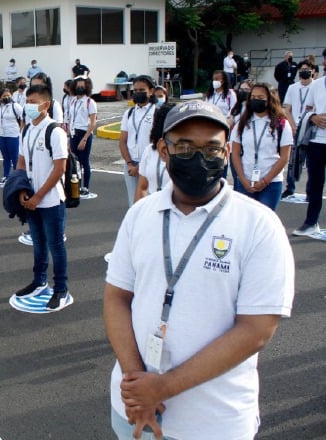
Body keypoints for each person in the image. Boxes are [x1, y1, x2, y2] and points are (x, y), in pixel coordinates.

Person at [104, 99, 295, 440]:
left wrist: (161, 388)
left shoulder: (259, 225)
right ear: (164, 151)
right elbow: (117, 298)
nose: (199, 158)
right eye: (185, 146)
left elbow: (257, 329)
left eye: (211, 148)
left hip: (213, 424)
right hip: (131, 410)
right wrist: (137, 383)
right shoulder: (140, 215)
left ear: (225, 153)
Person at [14, 84, 72, 311]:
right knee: (38, 243)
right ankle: (39, 281)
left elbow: (59, 169)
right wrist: (21, 189)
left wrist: (38, 196)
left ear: (46, 105)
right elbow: (20, 161)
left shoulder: (54, 131)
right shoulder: (27, 130)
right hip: (31, 199)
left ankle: (61, 288)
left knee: (55, 245)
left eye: (33, 102)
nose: (28, 106)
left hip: (50, 201)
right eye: (27, 102)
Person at [231, 82, 292, 211]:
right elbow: (235, 153)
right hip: (245, 181)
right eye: (253, 97)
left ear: (270, 100)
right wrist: (242, 179)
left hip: (271, 183)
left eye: (260, 98)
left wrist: (265, 181)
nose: (256, 100)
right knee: (245, 221)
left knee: (264, 221)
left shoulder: (281, 124)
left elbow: (284, 158)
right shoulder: (242, 123)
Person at [293, 68, 326, 236]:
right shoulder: (317, 85)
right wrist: (313, 117)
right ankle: (311, 222)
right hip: (316, 141)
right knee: (315, 184)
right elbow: (307, 109)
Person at [119, 75, 156, 206]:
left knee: (149, 202)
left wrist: (140, 167)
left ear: (151, 91)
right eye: (135, 90)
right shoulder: (129, 113)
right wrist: (129, 164)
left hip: (149, 164)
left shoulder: (156, 112)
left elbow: (156, 143)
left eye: (142, 90)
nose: (138, 93)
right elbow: (123, 141)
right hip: (130, 164)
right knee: (133, 203)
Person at [282, 61, 315, 198]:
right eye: (302, 69)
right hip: (294, 127)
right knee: (292, 160)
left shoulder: (316, 87)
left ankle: (310, 191)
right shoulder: (292, 88)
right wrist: (293, 126)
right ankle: (290, 187)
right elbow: (287, 109)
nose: (304, 72)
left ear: (312, 71)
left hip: (310, 127)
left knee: (311, 161)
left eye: (307, 69)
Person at [134, 103, 174, 203]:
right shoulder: (150, 150)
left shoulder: (182, 153)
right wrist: (138, 213)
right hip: (152, 207)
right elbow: (142, 187)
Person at [69, 77, 98, 196]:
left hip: (84, 133)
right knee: (74, 162)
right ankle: (76, 185)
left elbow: (92, 123)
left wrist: (85, 139)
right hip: (73, 133)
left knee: (84, 162)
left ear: (87, 87)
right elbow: (70, 118)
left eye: (82, 86)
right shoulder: (72, 101)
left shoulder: (90, 102)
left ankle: (85, 186)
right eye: (78, 86)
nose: (80, 88)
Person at [0, 88, 23, 187]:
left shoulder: (15, 106)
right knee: (5, 157)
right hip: (2, 135)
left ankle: (17, 177)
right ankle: (6, 176)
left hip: (13, 135)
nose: (7, 97)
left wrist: (22, 129)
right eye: (4, 96)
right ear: (0, 97)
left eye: (8, 95)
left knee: (14, 157)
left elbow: (24, 117)